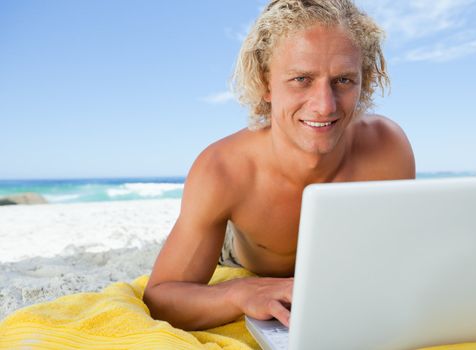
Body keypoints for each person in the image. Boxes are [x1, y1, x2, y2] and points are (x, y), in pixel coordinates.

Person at [143, 0, 415, 331]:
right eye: (301, 78)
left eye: (343, 80)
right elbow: (161, 298)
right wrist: (240, 291)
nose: (324, 105)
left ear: (365, 79)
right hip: (235, 249)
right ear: (265, 82)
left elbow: (397, 257)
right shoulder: (223, 170)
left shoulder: (387, 149)